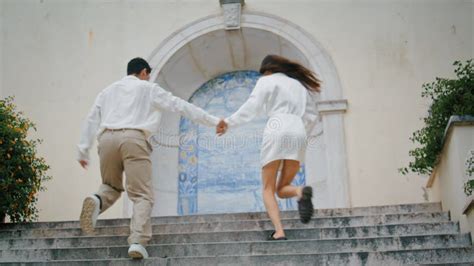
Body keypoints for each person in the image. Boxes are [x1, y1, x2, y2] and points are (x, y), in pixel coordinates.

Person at [77, 57, 220, 259]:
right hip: (134, 139)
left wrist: (83, 150)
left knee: (111, 186)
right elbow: (179, 105)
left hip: (107, 139)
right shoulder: (148, 89)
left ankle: (96, 200)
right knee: (142, 194)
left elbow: (91, 118)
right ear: (144, 72)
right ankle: (137, 242)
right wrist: (213, 121)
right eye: (148, 74)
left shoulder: (107, 91)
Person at [216, 54, 320, 240]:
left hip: (277, 126)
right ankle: (299, 191)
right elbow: (312, 115)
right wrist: (302, 132)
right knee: (283, 188)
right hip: (298, 130)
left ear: (267, 70)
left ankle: (279, 231)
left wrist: (228, 122)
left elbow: (251, 107)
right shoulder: (298, 85)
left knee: (268, 188)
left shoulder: (266, 81)